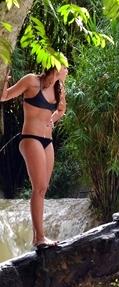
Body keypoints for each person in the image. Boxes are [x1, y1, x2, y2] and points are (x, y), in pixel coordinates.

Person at [1, 66, 68, 248]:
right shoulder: (32, 81)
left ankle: (36, 238)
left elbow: (61, 111)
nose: (67, 70)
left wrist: (51, 120)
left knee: (43, 188)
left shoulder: (59, 89)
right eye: (65, 66)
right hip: (31, 139)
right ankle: (40, 237)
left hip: (48, 141)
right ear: (54, 66)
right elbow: (4, 96)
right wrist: (4, 80)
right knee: (38, 187)